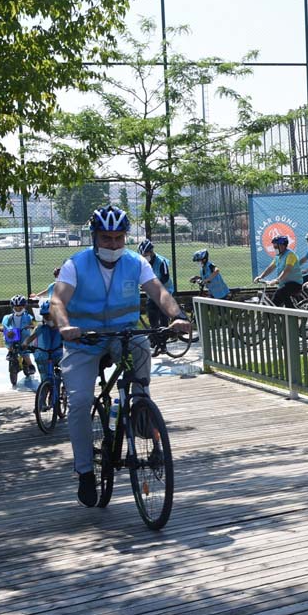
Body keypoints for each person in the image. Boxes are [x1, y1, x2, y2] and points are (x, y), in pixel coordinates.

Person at [50, 205, 192, 508]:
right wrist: (65, 326)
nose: (113, 244)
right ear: (94, 238)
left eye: (118, 238)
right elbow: (57, 300)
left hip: (122, 337)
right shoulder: (75, 264)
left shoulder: (135, 262)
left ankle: (141, 408)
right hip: (83, 342)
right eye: (106, 238)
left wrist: (177, 316)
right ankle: (86, 471)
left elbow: (158, 291)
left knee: (141, 351)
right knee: (78, 403)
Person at [138, 239, 174, 355]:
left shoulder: (161, 261)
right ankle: (155, 337)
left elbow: (165, 277)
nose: (144, 256)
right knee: (152, 315)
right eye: (142, 255)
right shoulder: (143, 263)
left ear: (151, 252)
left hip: (165, 291)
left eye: (146, 254)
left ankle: (163, 344)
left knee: (163, 316)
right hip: (152, 294)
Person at [253, 234, 303, 308]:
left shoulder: (290, 255)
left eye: (276, 246)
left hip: (295, 284)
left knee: (282, 292)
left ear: (282, 246)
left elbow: (287, 270)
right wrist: (261, 276)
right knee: (273, 305)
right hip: (283, 285)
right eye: (274, 246)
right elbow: (270, 268)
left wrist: (277, 280)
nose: (274, 248)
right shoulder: (278, 256)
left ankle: (292, 314)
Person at [0, 295, 36, 376]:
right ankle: (10, 351)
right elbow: (4, 325)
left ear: (24, 307)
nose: (18, 309)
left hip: (24, 335)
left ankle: (30, 365)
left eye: (20, 308)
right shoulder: (8, 317)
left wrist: (30, 326)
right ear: (13, 307)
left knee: (24, 351)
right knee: (8, 339)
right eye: (16, 308)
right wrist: (1, 329)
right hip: (13, 335)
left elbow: (32, 325)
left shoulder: (27, 317)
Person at [23, 300, 64, 372]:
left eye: (50, 315)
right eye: (45, 316)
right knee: (44, 376)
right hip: (45, 358)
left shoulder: (63, 328)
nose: (48, 318)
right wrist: (25, 343)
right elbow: (31, 337)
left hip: (60, 357)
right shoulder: (41, 328)